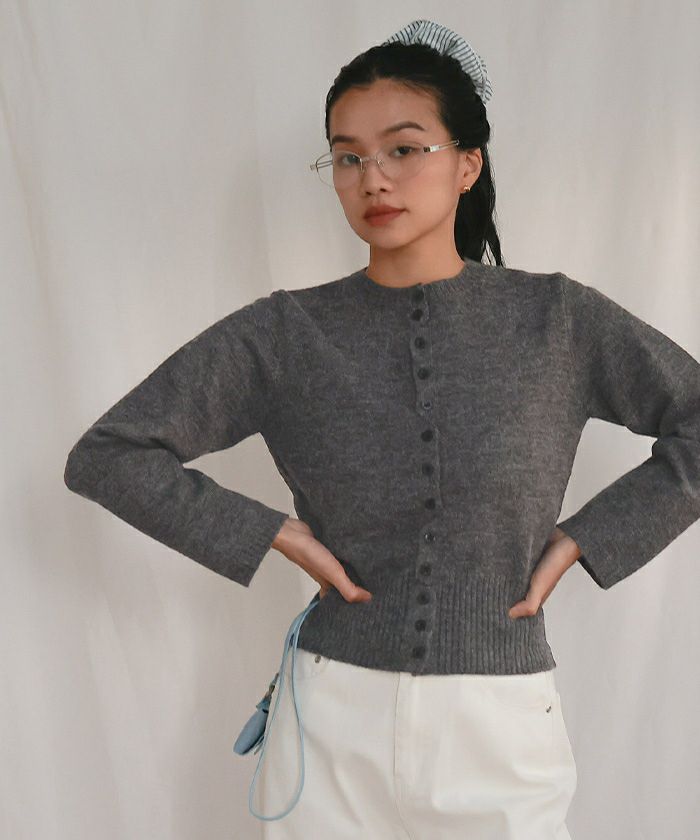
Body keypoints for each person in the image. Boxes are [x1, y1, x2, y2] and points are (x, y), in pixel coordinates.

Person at [63, 19, 700, 840]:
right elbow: (109, 454)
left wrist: (587, 539)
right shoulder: (285, 334)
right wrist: (272, 532)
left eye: (404, 149)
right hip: (330, 719)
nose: (374, 178)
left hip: (501, 723)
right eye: (348, 157)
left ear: (468, 163)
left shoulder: (556, 321)